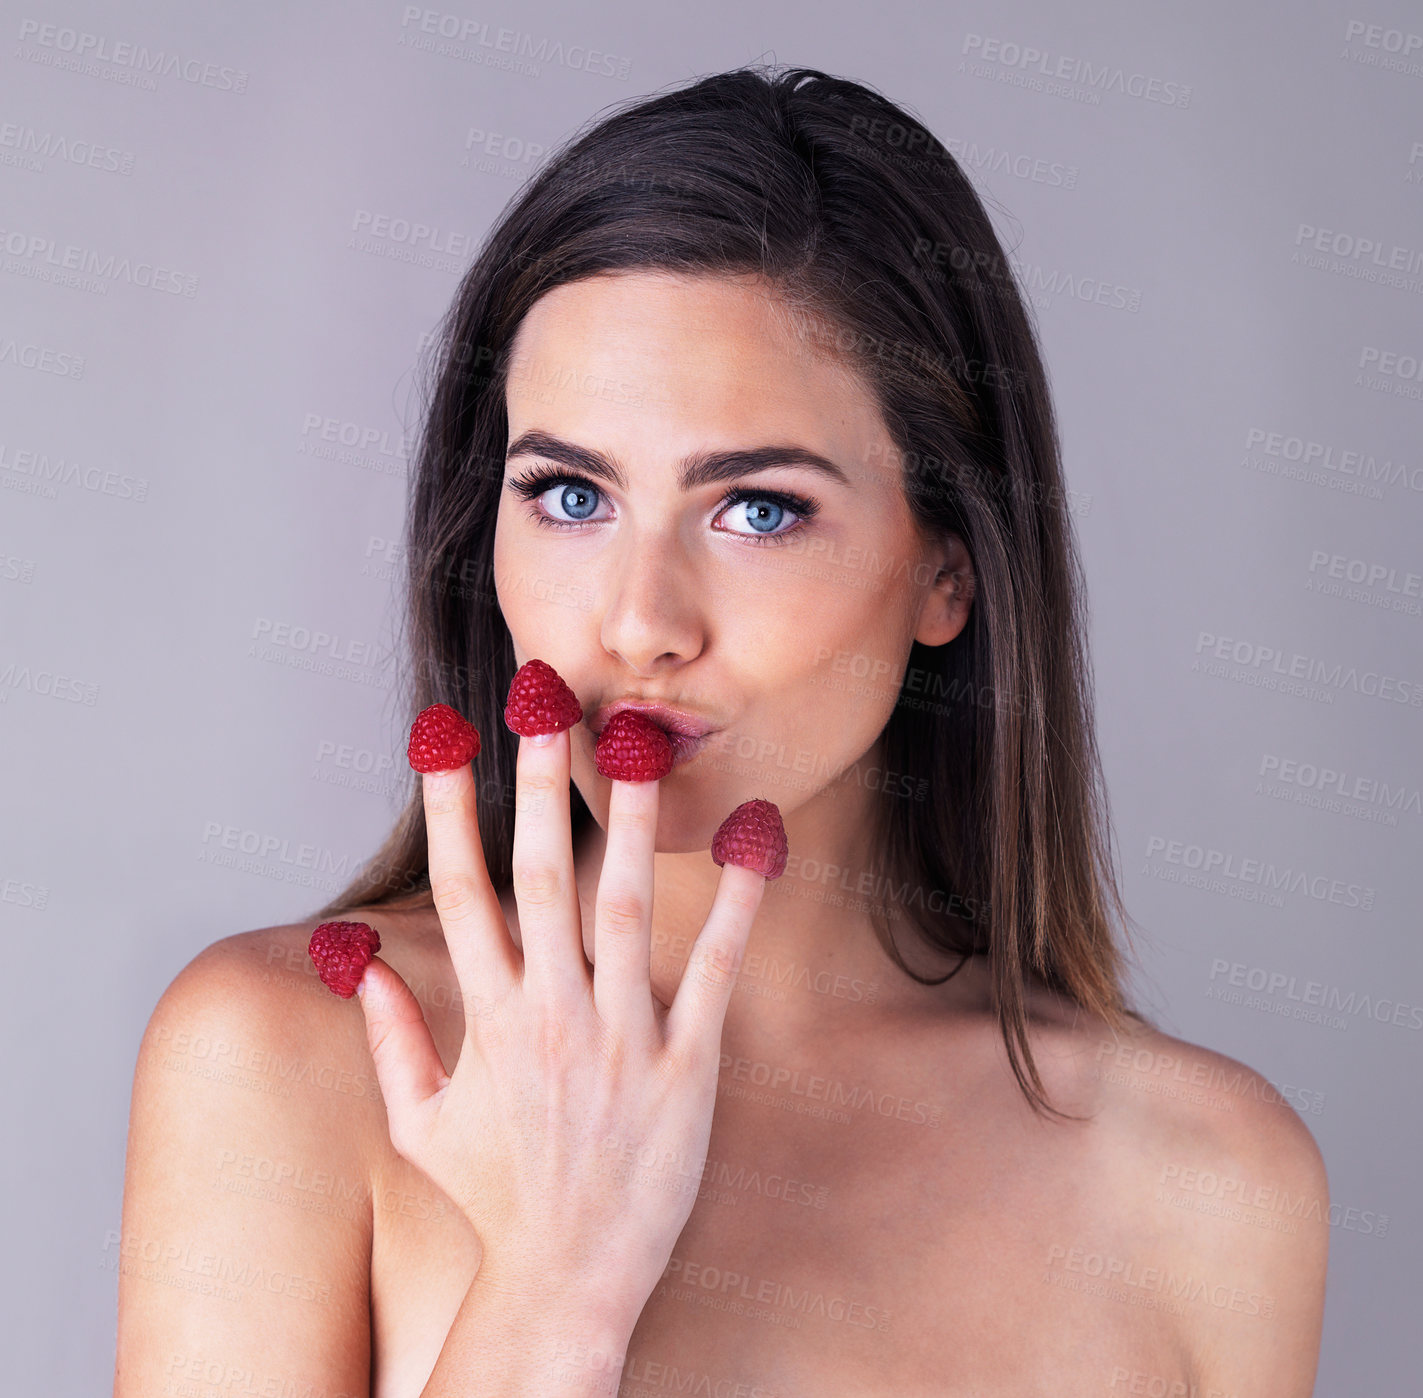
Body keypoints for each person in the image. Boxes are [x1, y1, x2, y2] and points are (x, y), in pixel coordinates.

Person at [113, 63, 1328, 1397]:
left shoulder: (1208, 1179)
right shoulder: (291, 1054)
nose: (640, 622)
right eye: (569, 494)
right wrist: (555, 1277)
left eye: (755, 509)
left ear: (948, 572)